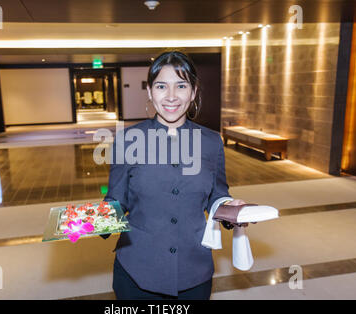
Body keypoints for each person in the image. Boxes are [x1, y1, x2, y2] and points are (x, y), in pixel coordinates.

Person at [102, 51, 248, 300]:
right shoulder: (127, 140)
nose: (171, 96)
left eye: (181, 86)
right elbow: (117, 201)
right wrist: (87, 223)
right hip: (138, 271)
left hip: (194, 270)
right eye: (161, 86)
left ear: (193, 92)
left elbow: (217, 195)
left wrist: (228, 208)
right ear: (150, 91)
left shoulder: (211, 142)